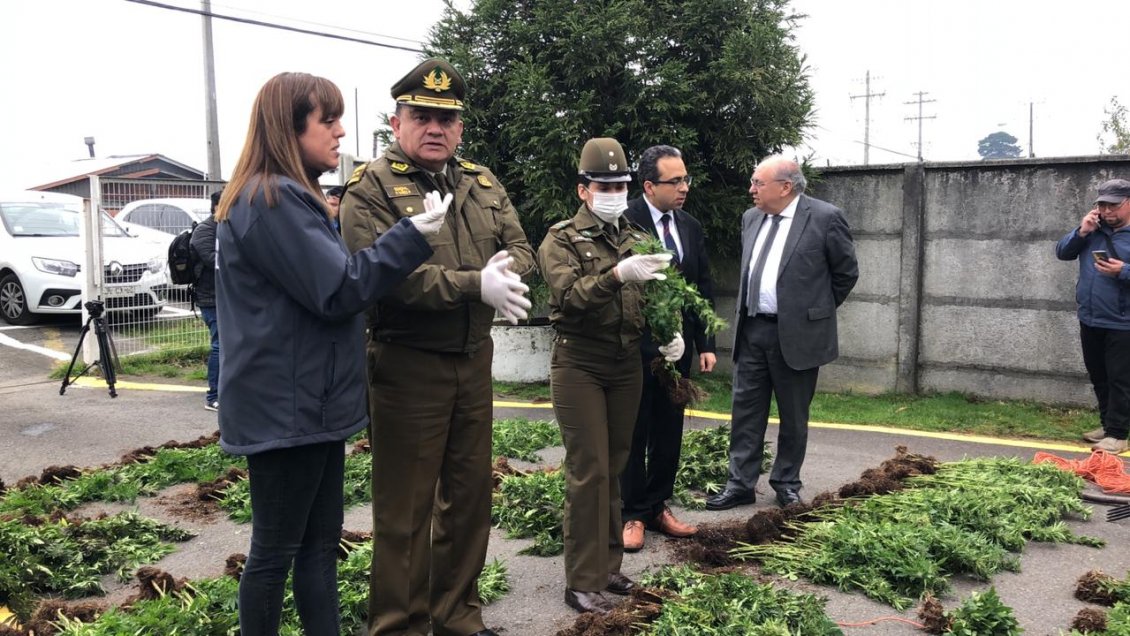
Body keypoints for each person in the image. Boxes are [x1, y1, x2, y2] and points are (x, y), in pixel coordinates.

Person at [213, 71, 443, 636]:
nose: (340, 132)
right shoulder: (271, 199)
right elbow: (339, 289)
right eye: (328, 120)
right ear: (289, 128)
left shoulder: (286, 195)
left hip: (306, 405)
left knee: (318, 547)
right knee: (275, 554)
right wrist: (410, 236)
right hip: (287, 409)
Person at [339, 58, 532, 636]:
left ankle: (457, 618)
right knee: (405, 510)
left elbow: (521, 246)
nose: (434, 128)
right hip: (408, 365)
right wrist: (477, 284)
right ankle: (400, 626)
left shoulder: (481, 181)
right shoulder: (371, 188)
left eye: (445, 119)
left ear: (460, 128)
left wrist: (504, 272)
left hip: (473, 361)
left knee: (469, 500)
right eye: (421, 116)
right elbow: (386, 279)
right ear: (396, 122)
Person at [537, 137, 677, 615]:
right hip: (580, 362)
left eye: (620, 185)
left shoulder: (635, 237)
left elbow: (655, 298)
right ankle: (581, 580)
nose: (614, 193)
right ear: (584, 190)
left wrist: (670, 334)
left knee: (615, 465)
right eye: (604, 185)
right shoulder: (560, 239)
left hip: (625, 364)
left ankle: (608, 567)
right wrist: (616, 275)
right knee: (588, 471)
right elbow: (569, 296)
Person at [706, 155, 858, 511]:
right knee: (745, 412)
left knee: (793, 415)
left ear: (785, 187)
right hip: (752, 329)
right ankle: (740, 484)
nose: (751, 189)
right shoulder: (751, 218)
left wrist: (811, 313)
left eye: (758, 183)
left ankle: (787, 483)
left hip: (798, 335)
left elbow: (846, 273)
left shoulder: (825, 217)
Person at [620, 145, 715, 551]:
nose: (684, 187)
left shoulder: (689, 226)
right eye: (674, 181)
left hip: (679, 349)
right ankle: (632, 512)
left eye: (685, 179)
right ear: (648, 186)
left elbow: (701, 285)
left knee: (668, 427)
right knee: (634, 428)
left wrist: (705, 342)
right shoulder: (624, 221)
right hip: (635, 347)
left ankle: (658, 505)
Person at [1055, 178, 1130, 454]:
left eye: (1114, 205)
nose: (1107, 211)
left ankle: (1118, 435)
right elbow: (1062, 252)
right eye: (1102, 205)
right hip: (1090, 318)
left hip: (1123, 322)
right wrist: (1081, 231)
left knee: (1120, 379)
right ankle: (1108, 425)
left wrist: (1123, 271)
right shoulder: (1093, 231)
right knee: (1100, 376)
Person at [190, 190, 221, 412]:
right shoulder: (204, 230)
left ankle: (229, 392)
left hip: (228, 297)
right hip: (210, 298)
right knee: (220, 345)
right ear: (217, 206)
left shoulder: (228, 227)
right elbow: (213, 260)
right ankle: (213, 396)